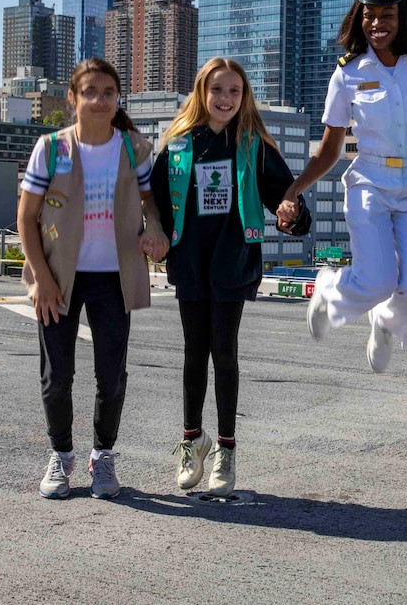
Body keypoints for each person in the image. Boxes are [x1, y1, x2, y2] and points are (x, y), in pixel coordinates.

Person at [283, 0, 407, 372]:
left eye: (386, 14)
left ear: (403, 14)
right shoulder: (348, 74)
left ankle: (386, 321)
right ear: (359, 16)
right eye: (369, 14)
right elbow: (329, 148)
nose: (377, 23)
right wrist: (293, 190)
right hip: (369, 181)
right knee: (377, 279)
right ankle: (330, 289)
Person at [150, 58, 310, 498]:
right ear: (202, 92)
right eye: (217, 90)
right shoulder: (180, 145)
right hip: (190, 262)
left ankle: (225, 448)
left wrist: (290, 214)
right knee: (192, 353)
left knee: (225, 353)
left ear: (245, 97)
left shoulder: (254, 145)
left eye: (234, 92)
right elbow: (155, 203)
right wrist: (154, 230)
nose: (225, 99)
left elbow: (290, 200)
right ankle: (190, 439)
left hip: (233, 262)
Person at [18, 58, 169, 500]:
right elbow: (26, 219)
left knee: (112, 375)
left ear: (117, 98)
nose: (99, 100)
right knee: (56, 375)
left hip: (113, 277)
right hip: (59, 277)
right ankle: (61, 455)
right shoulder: (53, 148)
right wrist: (42, 279)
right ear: (73, 98)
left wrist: (155, 226)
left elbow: (149, 203)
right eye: (90, 92)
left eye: (108, 92)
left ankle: (103, 455)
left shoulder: (133, 148)